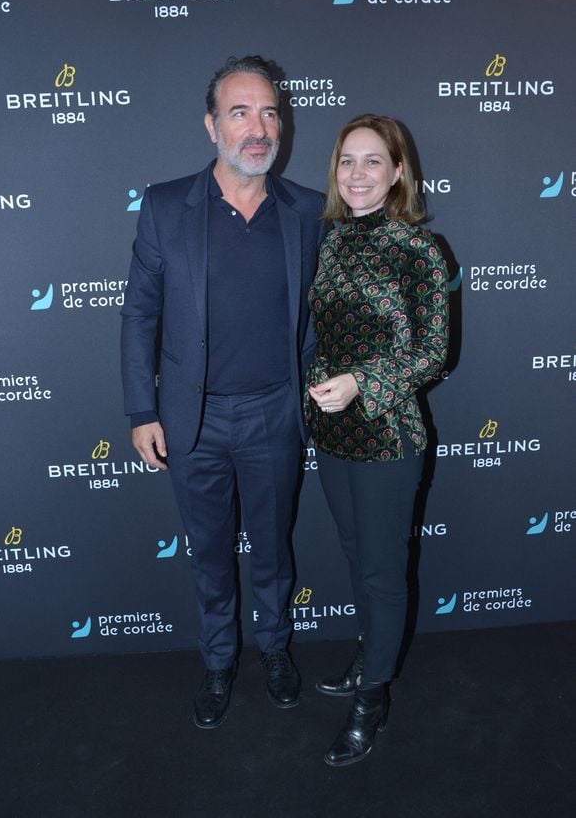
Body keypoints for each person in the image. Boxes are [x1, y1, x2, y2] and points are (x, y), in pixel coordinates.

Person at [121, 55, 325, 729]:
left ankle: (274, 648)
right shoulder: (164, 206)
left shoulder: (306, 211)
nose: (258, 127)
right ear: (212, 125)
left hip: (275, 413)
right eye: (241, 112)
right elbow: (139, 315)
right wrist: (142, 409)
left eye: (269, 112)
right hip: (192, 420)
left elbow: (326, 315)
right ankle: (217, 660)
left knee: (272, 547)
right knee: (209, 552)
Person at [306, 114, 449, 766]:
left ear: (397, 172)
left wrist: (363, 381)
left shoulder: (418, 249)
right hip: (333, 435)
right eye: (346, 161)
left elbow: (434, 354)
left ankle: (373, 698)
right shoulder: (330, 242)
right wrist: (319, 381)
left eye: (372, 161)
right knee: (354, 552)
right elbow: (321, 338)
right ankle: (371, 653)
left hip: (390, 436)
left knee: (382, 572)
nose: (357, 173)